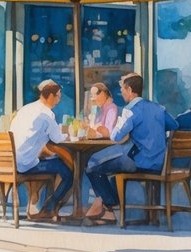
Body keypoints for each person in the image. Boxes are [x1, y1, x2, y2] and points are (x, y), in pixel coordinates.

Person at [83, 73, 178, 225]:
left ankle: (111, 207)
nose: (121, 92)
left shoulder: (130, 110)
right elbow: (174, 125)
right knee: (108, 167)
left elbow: (115, 136)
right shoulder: (158, 108)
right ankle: (109, 207)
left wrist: (122, 121)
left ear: (129, 89)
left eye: (122, 89)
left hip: (139, 161)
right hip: (159, 162)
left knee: (92, 164)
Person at [9, 79, 73, 222]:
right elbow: (57, 139)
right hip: (26, 165)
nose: (59, 100)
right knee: (68, 172)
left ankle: (39, 203)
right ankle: (49, 209)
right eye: (58, 96)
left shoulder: (26, 109)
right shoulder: (47, 114)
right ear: (51, 96)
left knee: (49, 160)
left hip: (14, 161)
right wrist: (69, 135)